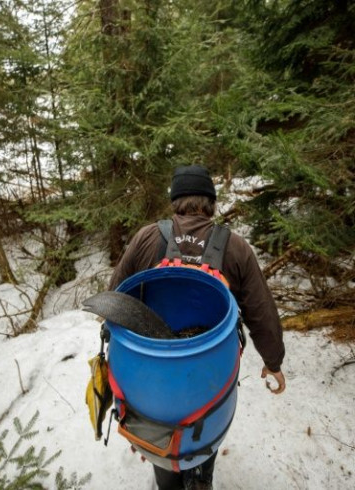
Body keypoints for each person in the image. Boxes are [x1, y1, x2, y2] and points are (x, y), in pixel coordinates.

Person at [108, 165, 286, 490]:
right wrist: (273, 361)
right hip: (210, 372)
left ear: (174, 202)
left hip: (152, 375)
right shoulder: (235, 248)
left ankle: (168, 476)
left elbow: (115, 292)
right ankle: (200, 474)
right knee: (205, 427)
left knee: (163, 434)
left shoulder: (146, 237)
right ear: (211, 204)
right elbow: (260, 311)